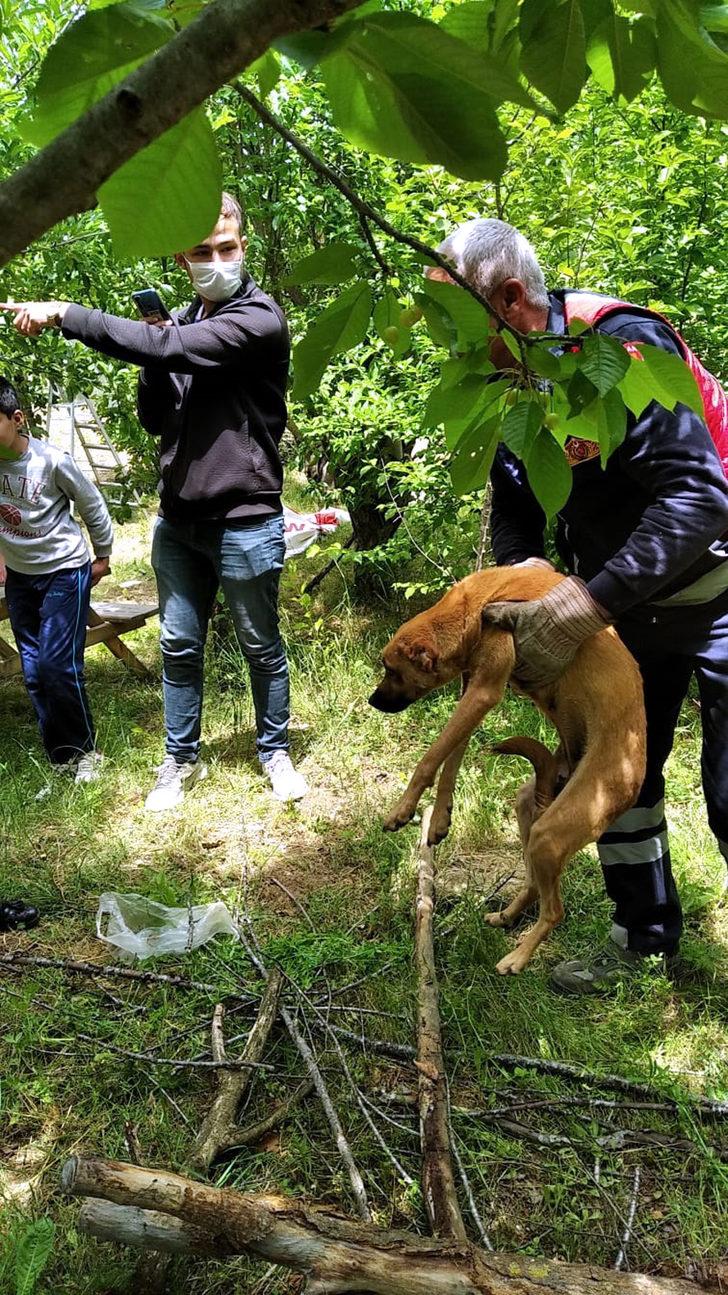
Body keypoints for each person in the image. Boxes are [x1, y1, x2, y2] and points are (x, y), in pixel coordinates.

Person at [430, 218, 728, 993]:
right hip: (629, 611)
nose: (446, 345)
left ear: (509, 299)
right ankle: (643, 940)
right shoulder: (514, 385)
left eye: (455, 324)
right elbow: (518, 507)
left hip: (719, 594)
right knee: (617, 770)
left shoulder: (620, 351)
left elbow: (699, 501)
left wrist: (581, 606)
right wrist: (524, 582)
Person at [1, 193, 308, 812]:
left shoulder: (259, 319)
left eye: (228, 248)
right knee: (177, 644)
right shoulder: (187, 322)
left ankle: (274, 752)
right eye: (203, 251)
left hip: (245, 518)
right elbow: (155, 416)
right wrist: (154, 358)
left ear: (243, 244)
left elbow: (169, 350)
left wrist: (67, 314)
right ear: (183, 257)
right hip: (179, 521)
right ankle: (180, 759)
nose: (217, 259)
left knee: (259, 642)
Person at [0, 376, 112, 783]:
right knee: (32, 671)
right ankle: (61, 758)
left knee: (57, 664)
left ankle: (86, 752)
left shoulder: (50, 461)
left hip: (65, 570)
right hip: (20, 577)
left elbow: (91, 503)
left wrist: (102, 555)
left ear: (17, 418)